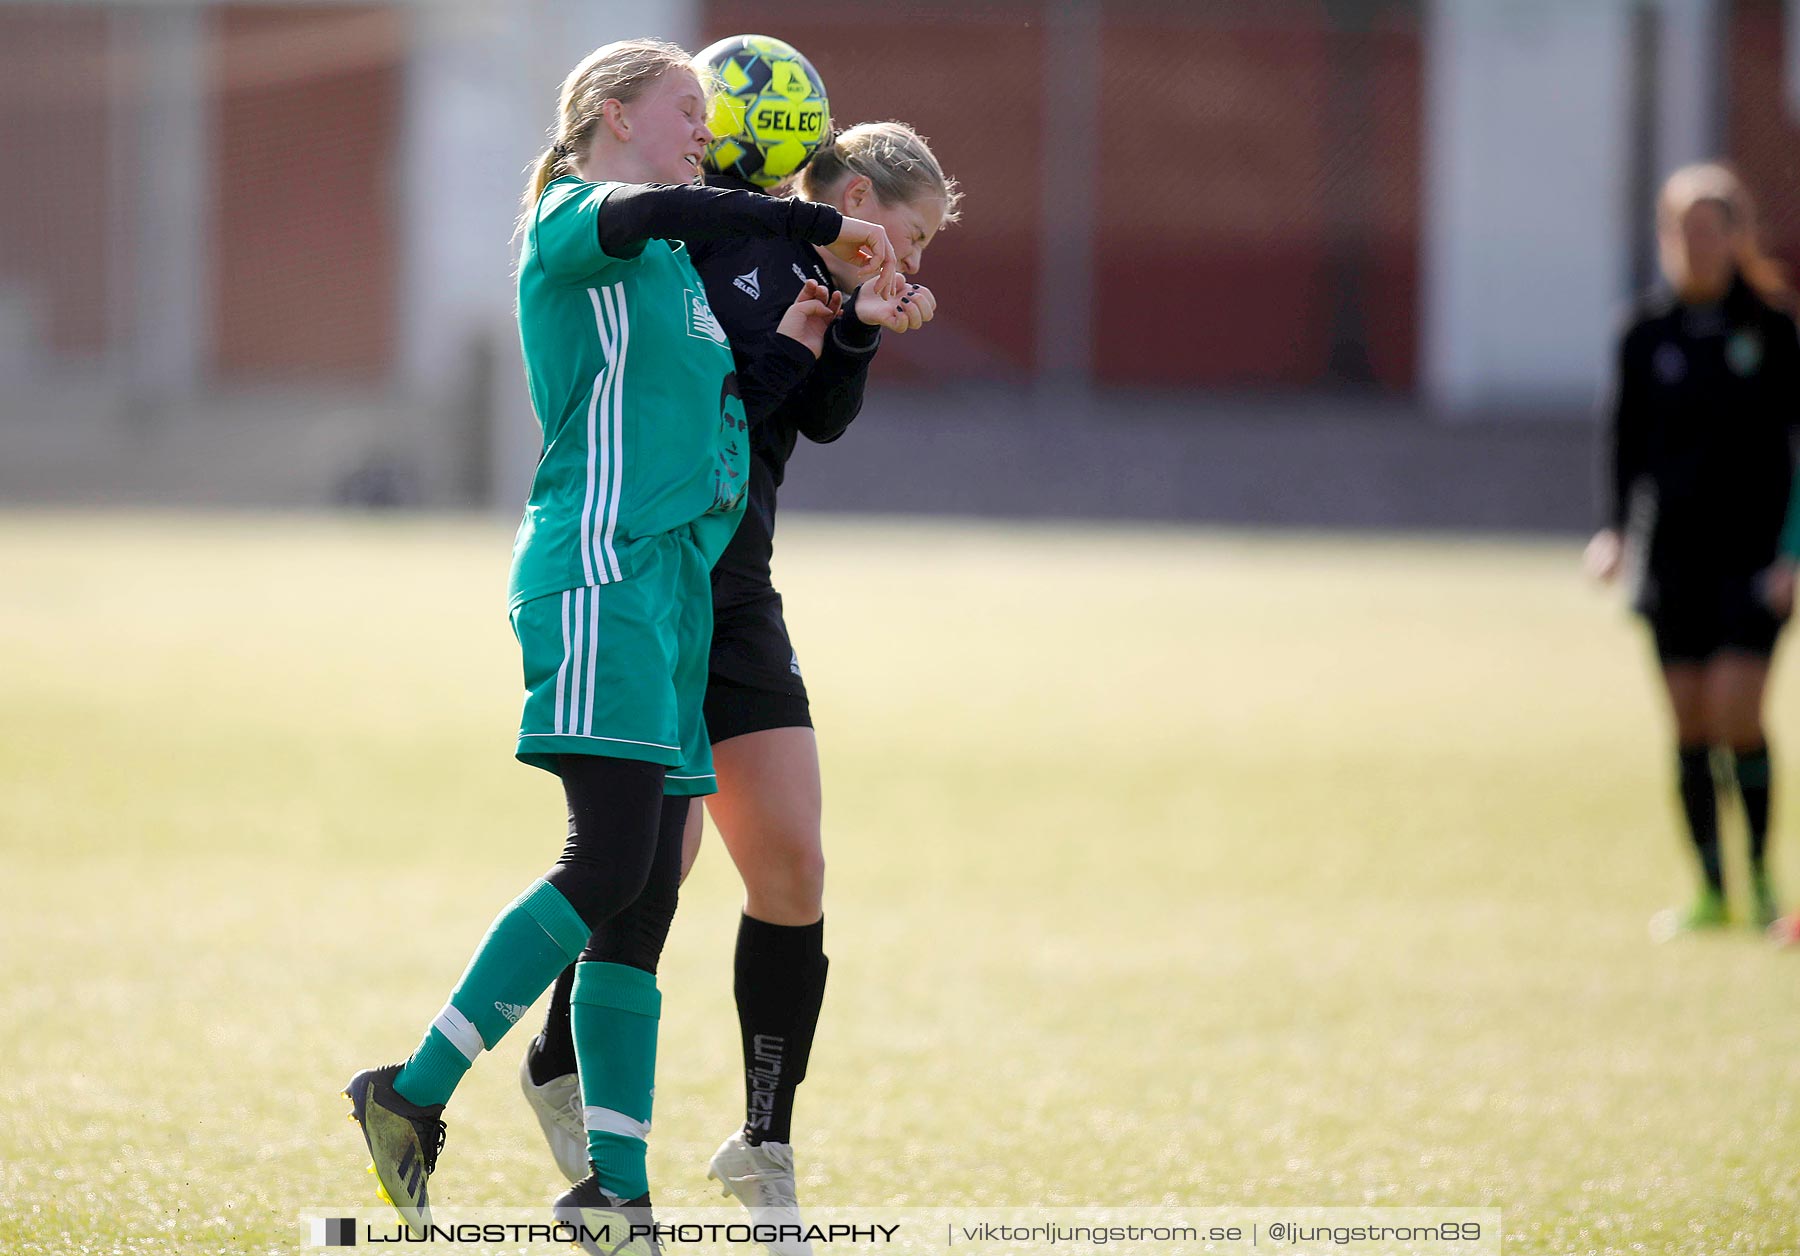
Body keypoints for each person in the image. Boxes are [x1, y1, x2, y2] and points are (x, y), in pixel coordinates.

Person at [341, 38, 898, 1252]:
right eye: (687, 106)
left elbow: (740, 414)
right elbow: (665, 204)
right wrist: (803, 227)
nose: (707, 125)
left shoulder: (680, 283)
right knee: (604, 859)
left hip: (674, 597)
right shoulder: (577, 213)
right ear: (610, 113)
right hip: (598, 573)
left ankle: (615, 1188)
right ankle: (411, 1090)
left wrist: (833, 321)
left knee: (645, 890)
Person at [517, 120, 959, 1247]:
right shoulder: (712, 240)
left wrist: (852, 329)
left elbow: (810, 418)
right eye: (906, 235)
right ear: (854, 190)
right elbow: (696, 405)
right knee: (647, 862)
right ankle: (565, 1075)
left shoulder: (819, 268)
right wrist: (823, 302)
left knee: (795, 861)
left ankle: (763, 1140)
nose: (909, 264)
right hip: (662, 574)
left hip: (740, 590)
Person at [1587, 161, 1800, 940]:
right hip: (1672, 558)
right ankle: (1712, 889)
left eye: (1709, 230)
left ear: (1737, 236)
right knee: (1688, 723)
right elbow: (1623, 447)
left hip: (1753, 558)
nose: (1694, 245)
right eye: (1681, 231)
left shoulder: (1772, 330)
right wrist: (1613, 532)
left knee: (1737, 710)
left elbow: (1796, 448)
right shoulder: (1643, 334)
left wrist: (1793, 553)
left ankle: (1768, 882)